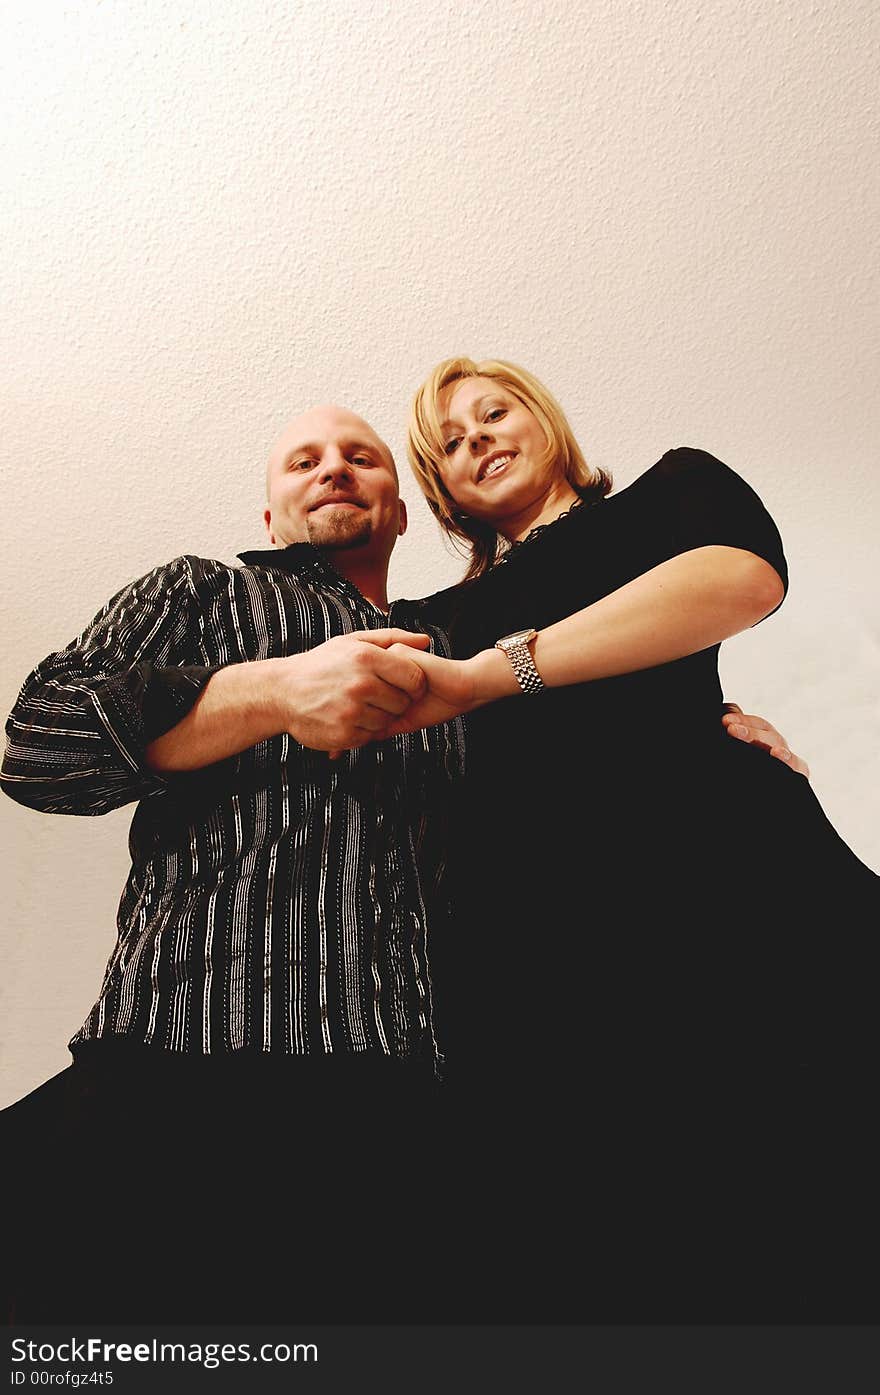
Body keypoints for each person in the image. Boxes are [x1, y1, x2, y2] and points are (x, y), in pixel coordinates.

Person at [2, 401, 808, 1326]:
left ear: (401, 513)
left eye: (362, 458)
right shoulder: (200, 592)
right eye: (303, 461)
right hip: (190, 1057)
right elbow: (39, 749)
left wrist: (720, 736)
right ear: (270, 517)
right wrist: (272, 689)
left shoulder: (456, 637)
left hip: (410, 1105)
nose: (333, 468)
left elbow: (582, 741)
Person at [397, 357, 879, 1323]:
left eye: (494, 413)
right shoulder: (431, 623)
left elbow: (739, 578)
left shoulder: (672, 488)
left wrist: (498, 675)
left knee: (830, 1146)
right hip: (551, 941)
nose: (477, 439)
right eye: (449, 443)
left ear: (544, 416)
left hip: (731, 873)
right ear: (441, 489)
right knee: (643, 1234)